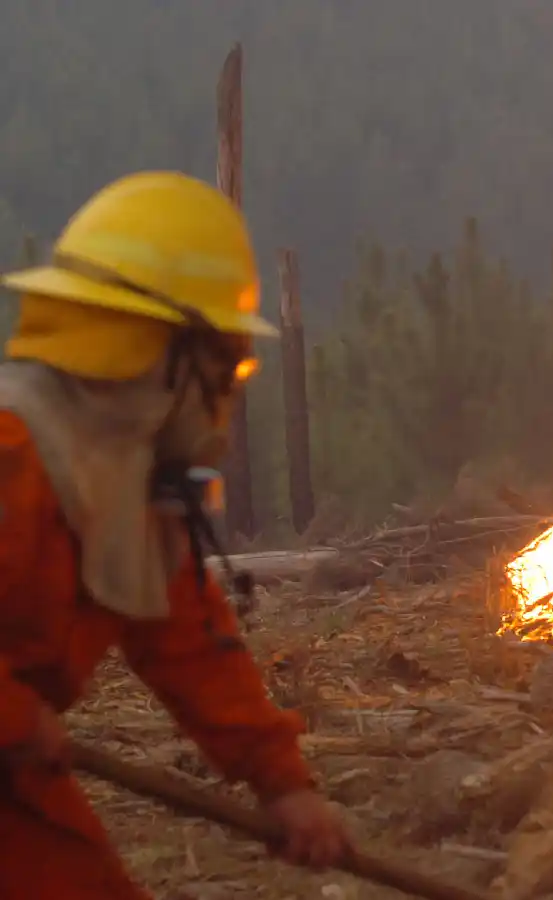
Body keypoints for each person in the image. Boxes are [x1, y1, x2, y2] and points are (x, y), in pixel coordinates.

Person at [0, 171, 351, 898]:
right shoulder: (14, 456)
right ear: (162, 353)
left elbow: (187, 641)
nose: (230, 392)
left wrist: (281, 783)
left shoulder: (127, 482)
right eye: (228, 364)